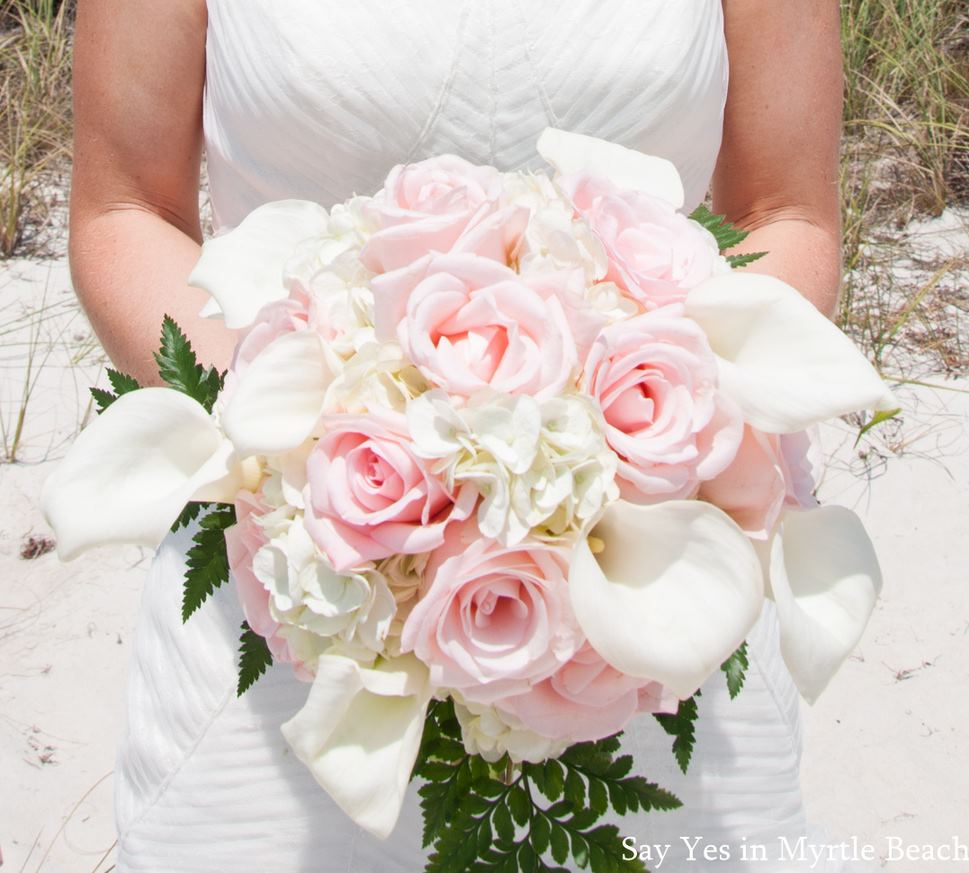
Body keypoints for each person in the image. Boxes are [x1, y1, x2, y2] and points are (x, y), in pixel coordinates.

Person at [68, 1, 864, 870]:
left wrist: (615, 446)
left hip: (658, 596)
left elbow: (785, 212)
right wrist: (319, 454)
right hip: (299, 589)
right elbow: (125, 205)